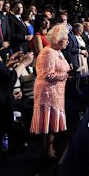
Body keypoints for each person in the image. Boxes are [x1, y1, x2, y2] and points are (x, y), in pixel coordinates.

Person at [30, 24, 71, 159]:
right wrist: (65, 75)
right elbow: (47, 75)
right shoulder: (48, 52)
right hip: (47, 93)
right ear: (58, 39)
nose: (68, 41)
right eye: (66, 39)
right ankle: (47, 152)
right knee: (48, 124)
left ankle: (50, 150)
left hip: (56, 92)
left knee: (51, 124)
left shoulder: (57, 51)